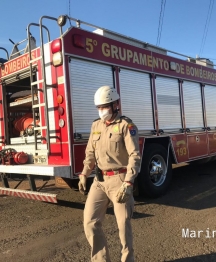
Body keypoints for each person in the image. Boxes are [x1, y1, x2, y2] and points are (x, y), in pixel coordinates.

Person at [78, 85, 141, 262]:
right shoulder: (96, 125)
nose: (101, 111)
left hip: (119, 180)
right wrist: (84, 173)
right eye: (99, 108)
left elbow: (134, 155)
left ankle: (128, 259)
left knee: (123, 226)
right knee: (90, 222)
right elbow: (90, 153)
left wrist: (128, 182)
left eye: (104, 107)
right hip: (99, 181)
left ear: (115, 105)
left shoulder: (126, 126)